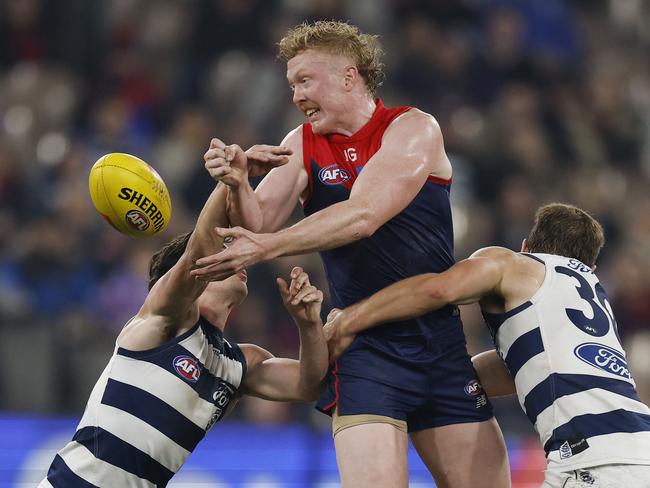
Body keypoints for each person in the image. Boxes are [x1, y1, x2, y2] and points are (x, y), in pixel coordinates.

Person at [191, 20, 510, 488]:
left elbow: (363, 215)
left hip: (440, 347)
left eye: (306, 81)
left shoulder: (413, 128)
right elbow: (255, 223)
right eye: (292, 85)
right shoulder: (301, 143)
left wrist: (265, 246)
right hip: (363, 353)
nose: (297, 96)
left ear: (349, 76)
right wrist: (237, 183)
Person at [38, 141, 329, 487]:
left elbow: (309, 384)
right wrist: (232, 181)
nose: (236, 255)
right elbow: (198, 251)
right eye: (226, 248)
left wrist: (308, 324)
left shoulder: (238, 365)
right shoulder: (161, 322)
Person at [324, 203, 650, 488]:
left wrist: (353, 318)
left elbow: (440, 290)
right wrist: (444, 380)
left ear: (526, 246)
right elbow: (523, 370)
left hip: (592, 462)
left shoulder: (515, 264)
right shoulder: (597, 301)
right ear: (591, 268)